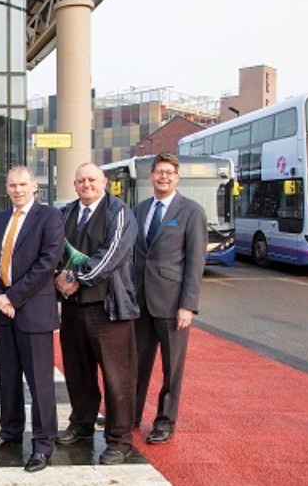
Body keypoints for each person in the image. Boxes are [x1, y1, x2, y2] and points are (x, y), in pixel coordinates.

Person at [0, 166, 64, 473]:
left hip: (33, 311)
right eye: (12, 185)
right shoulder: (1, 219)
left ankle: (43, 443)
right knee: (8, 378)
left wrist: (13, 297)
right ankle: (10, 431)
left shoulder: (50, 217)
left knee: (40, 382)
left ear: (34, 186)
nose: (17, 190)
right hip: (4, 311)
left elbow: (47, 263)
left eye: (22, 184)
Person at [54, 162, 139, 466]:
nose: (86, 185)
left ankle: (119, 439)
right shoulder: (65, 213)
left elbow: (112, 255)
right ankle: (82, 423)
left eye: (92, 179)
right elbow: (54, 252)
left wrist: (75, 278)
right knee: (78, 372)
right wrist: (58, 278)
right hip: (74, 310)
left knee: (118, 378)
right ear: (74, 185)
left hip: (110, 310)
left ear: (104, 182)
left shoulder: (120, 213)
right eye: (80, 180)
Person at [133, 153, 206, 444]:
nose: (163, 177)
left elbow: (196, 261)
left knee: (171, 367)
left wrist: (188, 305)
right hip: (140, 302)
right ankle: (131, 414)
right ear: (150, 176)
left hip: (172, 303)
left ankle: (165, 421)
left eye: (169, 173)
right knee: (136, 364)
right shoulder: (139, 210)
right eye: (159, 172)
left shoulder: (191, 211)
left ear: (177, 178)